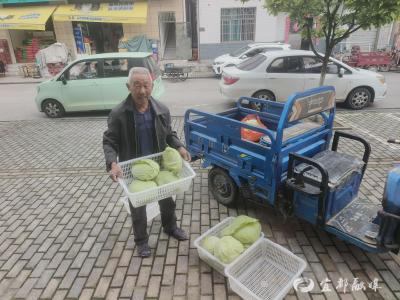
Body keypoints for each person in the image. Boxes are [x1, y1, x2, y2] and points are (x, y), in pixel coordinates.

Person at [103, 67, 191, 257]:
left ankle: (170, 227)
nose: (142, 90)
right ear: (129, 87)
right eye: (137, 85)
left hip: (158, 165)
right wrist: (112, 163)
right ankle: (141, 241)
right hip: (135, 170)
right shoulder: (119, 113)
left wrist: (179, 147)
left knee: (168, 199)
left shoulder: (161, 110)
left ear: (152, 86)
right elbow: (110, 141)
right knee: (138, 207)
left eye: (146, 85)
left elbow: (169, 134)